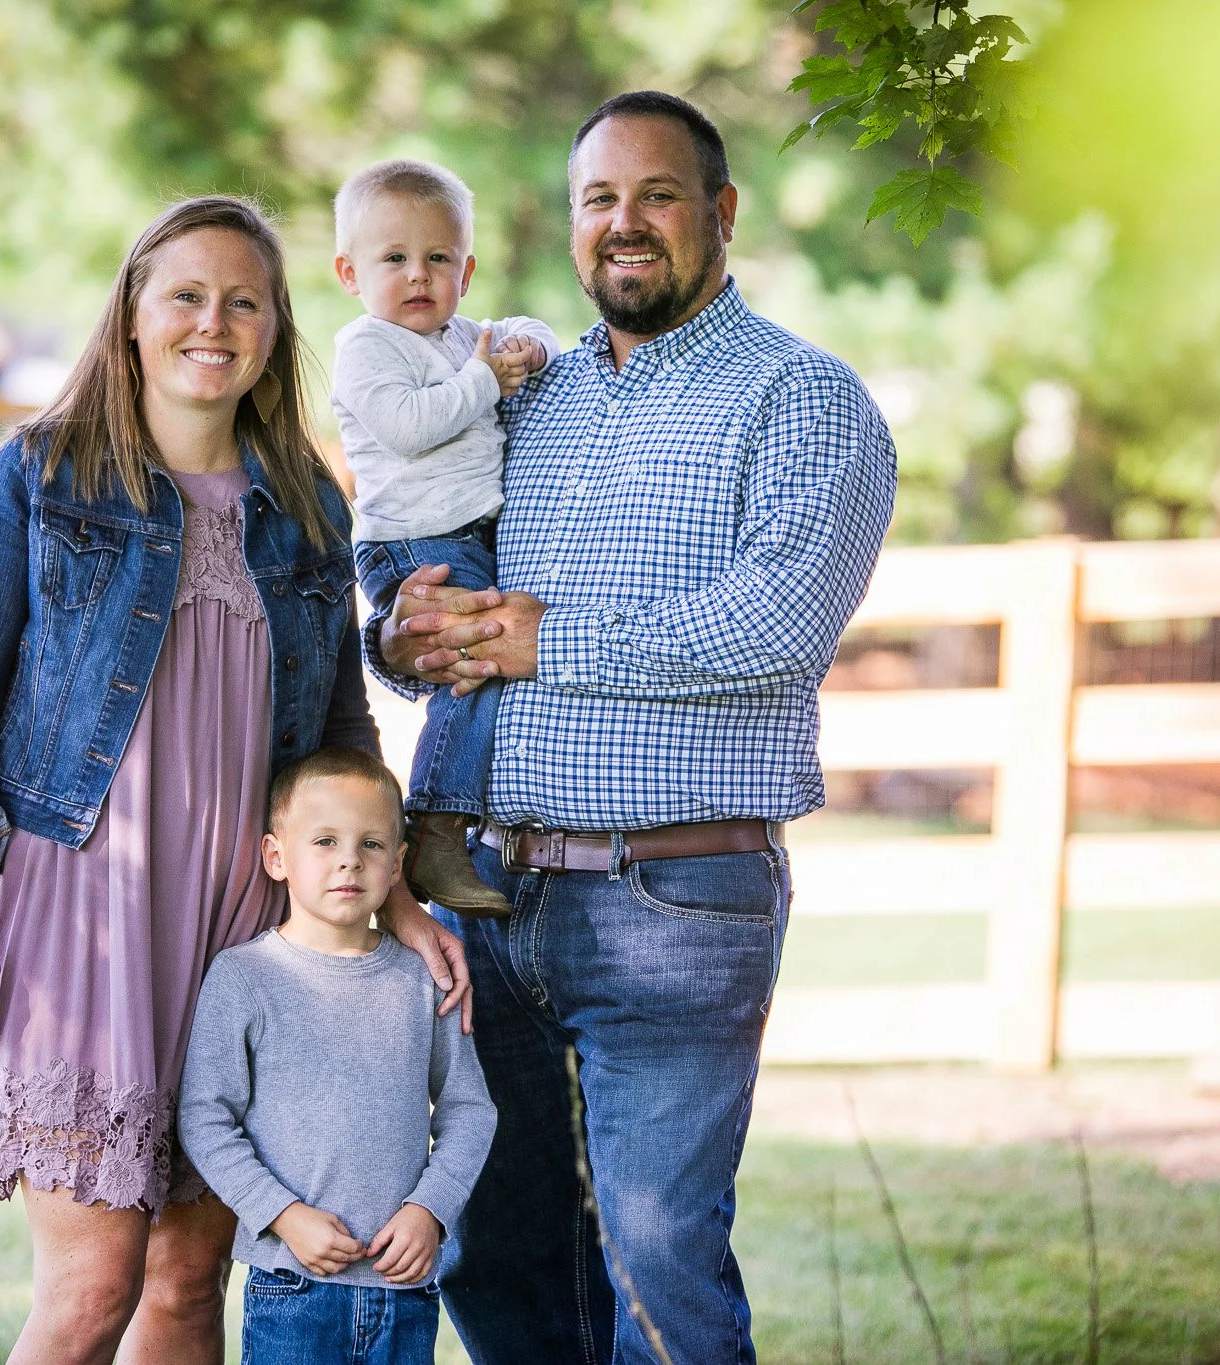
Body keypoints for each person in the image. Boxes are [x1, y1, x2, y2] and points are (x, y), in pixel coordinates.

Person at [370, 93, 897, 1363]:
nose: (623, 224)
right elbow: (451, 603)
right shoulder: (525, 399)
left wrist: (554, 638)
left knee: (655, 1254)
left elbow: (776, 621)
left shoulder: (802, 400)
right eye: (596, 200)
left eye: (655, 195)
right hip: (484, 896)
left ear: (719, 214)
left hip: (673, 896)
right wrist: (406, 636)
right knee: (495, 1251)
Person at [0, 194, 469, 1365]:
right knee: (94, 1287)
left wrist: (396, 895)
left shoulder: (302, 508)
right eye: (186, 296)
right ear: (131, 317)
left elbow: (339, 729)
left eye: (243, 301)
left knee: (190, 1278)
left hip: (247, 934)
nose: (214, 323)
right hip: (82, 927)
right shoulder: (39, 481)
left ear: (274, 328)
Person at [178, 747, 496, 1364]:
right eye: (324, 840)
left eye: (372, 844)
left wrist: (429, 1211)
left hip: (404, 1288)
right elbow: (205, 1118)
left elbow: (469, 1110)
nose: (350, 858)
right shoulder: (245, 977)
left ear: (398, 864)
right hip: (293, 1282)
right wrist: (283, 1215)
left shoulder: (421, 978)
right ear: (277, 857)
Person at [329, 157, 559, 918]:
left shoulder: (468, 337)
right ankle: (434, 823)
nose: (417, 276)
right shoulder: (367, 347)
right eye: (393, 259)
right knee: (475, 664)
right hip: (413, 541)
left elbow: (516, 333)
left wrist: (530, 342)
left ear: (467, 268)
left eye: (439, 259)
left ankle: (457, 818)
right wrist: (489, 378)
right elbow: (408, 424)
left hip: (470, 534)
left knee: (488, 659)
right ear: (349, 272)